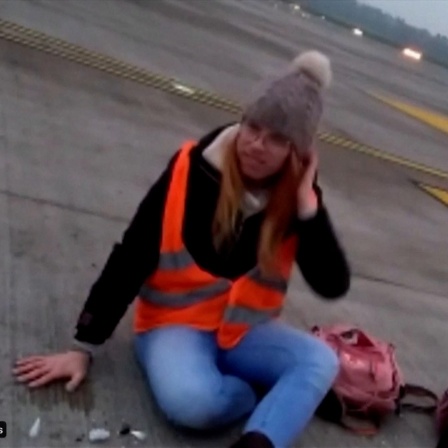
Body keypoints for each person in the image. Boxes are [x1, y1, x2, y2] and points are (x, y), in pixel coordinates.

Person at [12, 50, 351, 448]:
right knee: (192, 404)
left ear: (299, 152)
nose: (257, 145)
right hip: (174, 326)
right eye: (253, 127)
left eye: (277, 138)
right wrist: (84, 345)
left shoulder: (296, 200)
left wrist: (309, 207)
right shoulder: (191, 168)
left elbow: (331, 284)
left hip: (247, 332)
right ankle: (262, 393)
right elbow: (132, 252)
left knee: (320, 361)